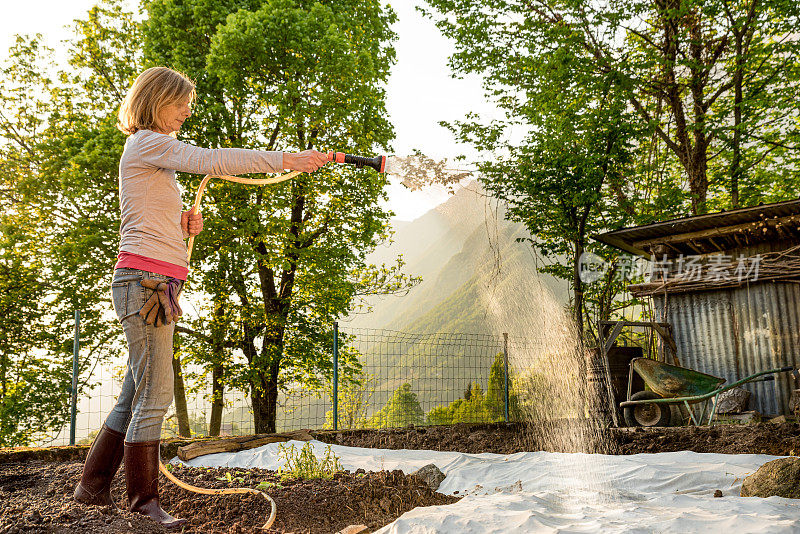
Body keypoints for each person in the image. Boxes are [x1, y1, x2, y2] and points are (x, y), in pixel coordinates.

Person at [73, 66, 328, 529]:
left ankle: (91, 490)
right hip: (144, 283)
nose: (188, 112)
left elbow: (146, 216)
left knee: (135, 392)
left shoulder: (150, 153)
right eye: (181, 104)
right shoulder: (147, 142)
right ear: (155, 102)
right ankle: (142, 504)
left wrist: (182, 227)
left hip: (151, 280)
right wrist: (286, 159)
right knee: (156, 393)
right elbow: (212, 160)